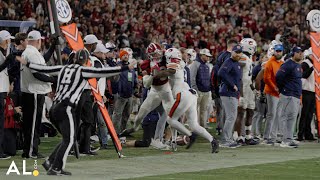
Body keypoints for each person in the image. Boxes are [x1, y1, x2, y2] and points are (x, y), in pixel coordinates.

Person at [17, 49, 135, 175]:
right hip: (65, 108)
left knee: (68, 138)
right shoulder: (84, 70)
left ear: (74, 58)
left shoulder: (63, 68)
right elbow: (104, 72)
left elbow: (45, 69)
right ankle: (56, 168)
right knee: (70, 139)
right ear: (86, 61)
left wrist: (28, 64)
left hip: (54, 108)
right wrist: (126, 67)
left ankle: (50, 162)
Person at [165, 48, 219, 153]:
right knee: (193, 125)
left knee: (170, 120)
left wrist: (156, 75)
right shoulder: (185, 66)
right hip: (191, 94)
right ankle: (212, 140)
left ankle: (189, 135)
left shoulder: (173, 64)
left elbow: (169, 72)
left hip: (182, 95)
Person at [276, 46, 303, 148]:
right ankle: (285, 140)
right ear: (293, 53)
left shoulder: (297, 65)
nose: (300, 54)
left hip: (295, 94)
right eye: (298, 52)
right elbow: (278, 76)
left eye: (301, 52)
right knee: (287, 117)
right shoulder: (288, 64)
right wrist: (283, 89)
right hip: (288, 94)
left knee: (291, 118)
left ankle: (289, 138)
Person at [234, 38, 259, 145]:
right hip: (242, 87)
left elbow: (248, 78)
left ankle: (248, 136)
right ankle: (238, 137)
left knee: (250, 111)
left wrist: (254, 90)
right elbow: (237, 74)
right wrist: (240, 92)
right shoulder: (242, 58)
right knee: (241, 112)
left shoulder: (248, 58)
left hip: (248, 87)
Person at [218, 45, 243, 148]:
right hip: (228, 92)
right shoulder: (229, 61)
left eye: (239, 52)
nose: (238, 54)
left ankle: (228, 138)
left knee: (231, 116)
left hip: (231, 93)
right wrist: (232, 85)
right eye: (236, 52)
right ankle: (225, 140)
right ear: (232, 52)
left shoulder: (235, 63)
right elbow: (221, 73)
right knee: (231, 117)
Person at [262, 44, 284, 145]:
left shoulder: (282, 63)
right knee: (271, 114)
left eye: (280, 51)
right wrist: (274, 87)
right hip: (271, 91)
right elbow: (266, 78)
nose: (278, 52)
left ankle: (273, 136)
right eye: (277, 51)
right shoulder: (270, 62)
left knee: (278, 114)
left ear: (282, 52)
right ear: (274, 51)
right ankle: (267, 136)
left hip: (279, 92)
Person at [112, 49, 138, 134]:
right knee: (117, 115)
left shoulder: (131, 68)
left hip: (129, 95)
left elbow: (133, 78)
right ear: (120, 57)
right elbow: (114, 79)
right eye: (123, 55)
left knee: (126, 115)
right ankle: (115, 133)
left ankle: (122, 131)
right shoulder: (118, 66)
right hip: (120, 95)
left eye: (126, 55)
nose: (126, 56)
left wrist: (136, 88)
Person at [0, 30, 14, 160]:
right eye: (8, 40)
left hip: (2, 90)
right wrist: (7, 61)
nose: (10, 43)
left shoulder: (4, 52)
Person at [190, 48, 212, 128]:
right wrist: (195, 90)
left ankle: (203, 126)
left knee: (204, 110)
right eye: (207, 56)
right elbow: (192, 78)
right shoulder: (195, 64)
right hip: (198, 91)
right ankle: (194, 126)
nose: (208, 58)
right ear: (202, 55)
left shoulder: (206, 65)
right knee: (194, 110)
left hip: (206, 91)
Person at [298, 48, 316, 141]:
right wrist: (312, 68)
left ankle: (308, 134)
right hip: (306, 91)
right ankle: (300, 134)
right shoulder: (305, 63)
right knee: (304, 114)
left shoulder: (314, 63)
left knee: (310, 114)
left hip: (313, 91)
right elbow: (303, 75)